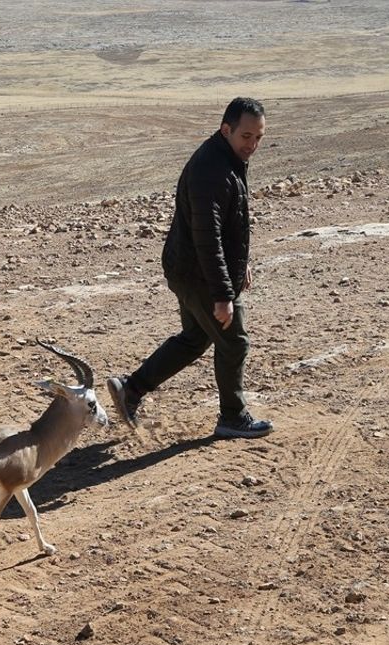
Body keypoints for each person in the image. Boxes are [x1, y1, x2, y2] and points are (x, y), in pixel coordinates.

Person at [107, 97, 273, 439]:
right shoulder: (211, 169)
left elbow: (230, 225)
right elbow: (207, 237)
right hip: (198, 273)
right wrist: (223, 294)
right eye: (246, 136)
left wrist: (241, 265)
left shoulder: (226, 157)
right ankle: (232, 416)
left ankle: (131, 389)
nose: (252, 145)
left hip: (189, 269)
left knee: (195, 337)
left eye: (258, 137)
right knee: (234, 343)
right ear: (226, 129)